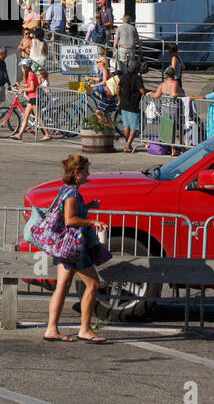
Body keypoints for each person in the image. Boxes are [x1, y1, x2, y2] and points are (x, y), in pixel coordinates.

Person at [42, 154, 110, 342]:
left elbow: (70, 214)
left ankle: (51, 329)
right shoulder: (72, 193)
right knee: (93, 284)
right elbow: (70, 219)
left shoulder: (66, 190)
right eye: (86, 170)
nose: (88, 173)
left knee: (62, 287)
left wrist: (87, 207)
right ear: (76, 173)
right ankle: (85, 329)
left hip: (65, 247)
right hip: (74, 248)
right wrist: (92, 221)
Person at [10, 62, 52, 141]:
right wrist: (20, 86)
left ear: (26, 67)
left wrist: (22, 90)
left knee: (39, 117)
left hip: (34, 98)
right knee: (26, 116)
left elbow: (32, 88)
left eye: (22, 67)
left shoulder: (31, 75)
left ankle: (47, 134)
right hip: (32, 98)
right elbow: (28, 85)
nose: (21, 69)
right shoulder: (29, 74)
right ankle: (19, 134)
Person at [116, 62, 145, 153]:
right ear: (137, 70)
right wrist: (149, 91)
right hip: (133, 104)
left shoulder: (124, 77)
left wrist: (119, 99)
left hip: (124, 103)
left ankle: (127, 144)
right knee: (134, 127)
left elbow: (118, 88)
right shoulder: (137, 78)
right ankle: (128, 145)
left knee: (126, 126)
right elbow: (142, 90)